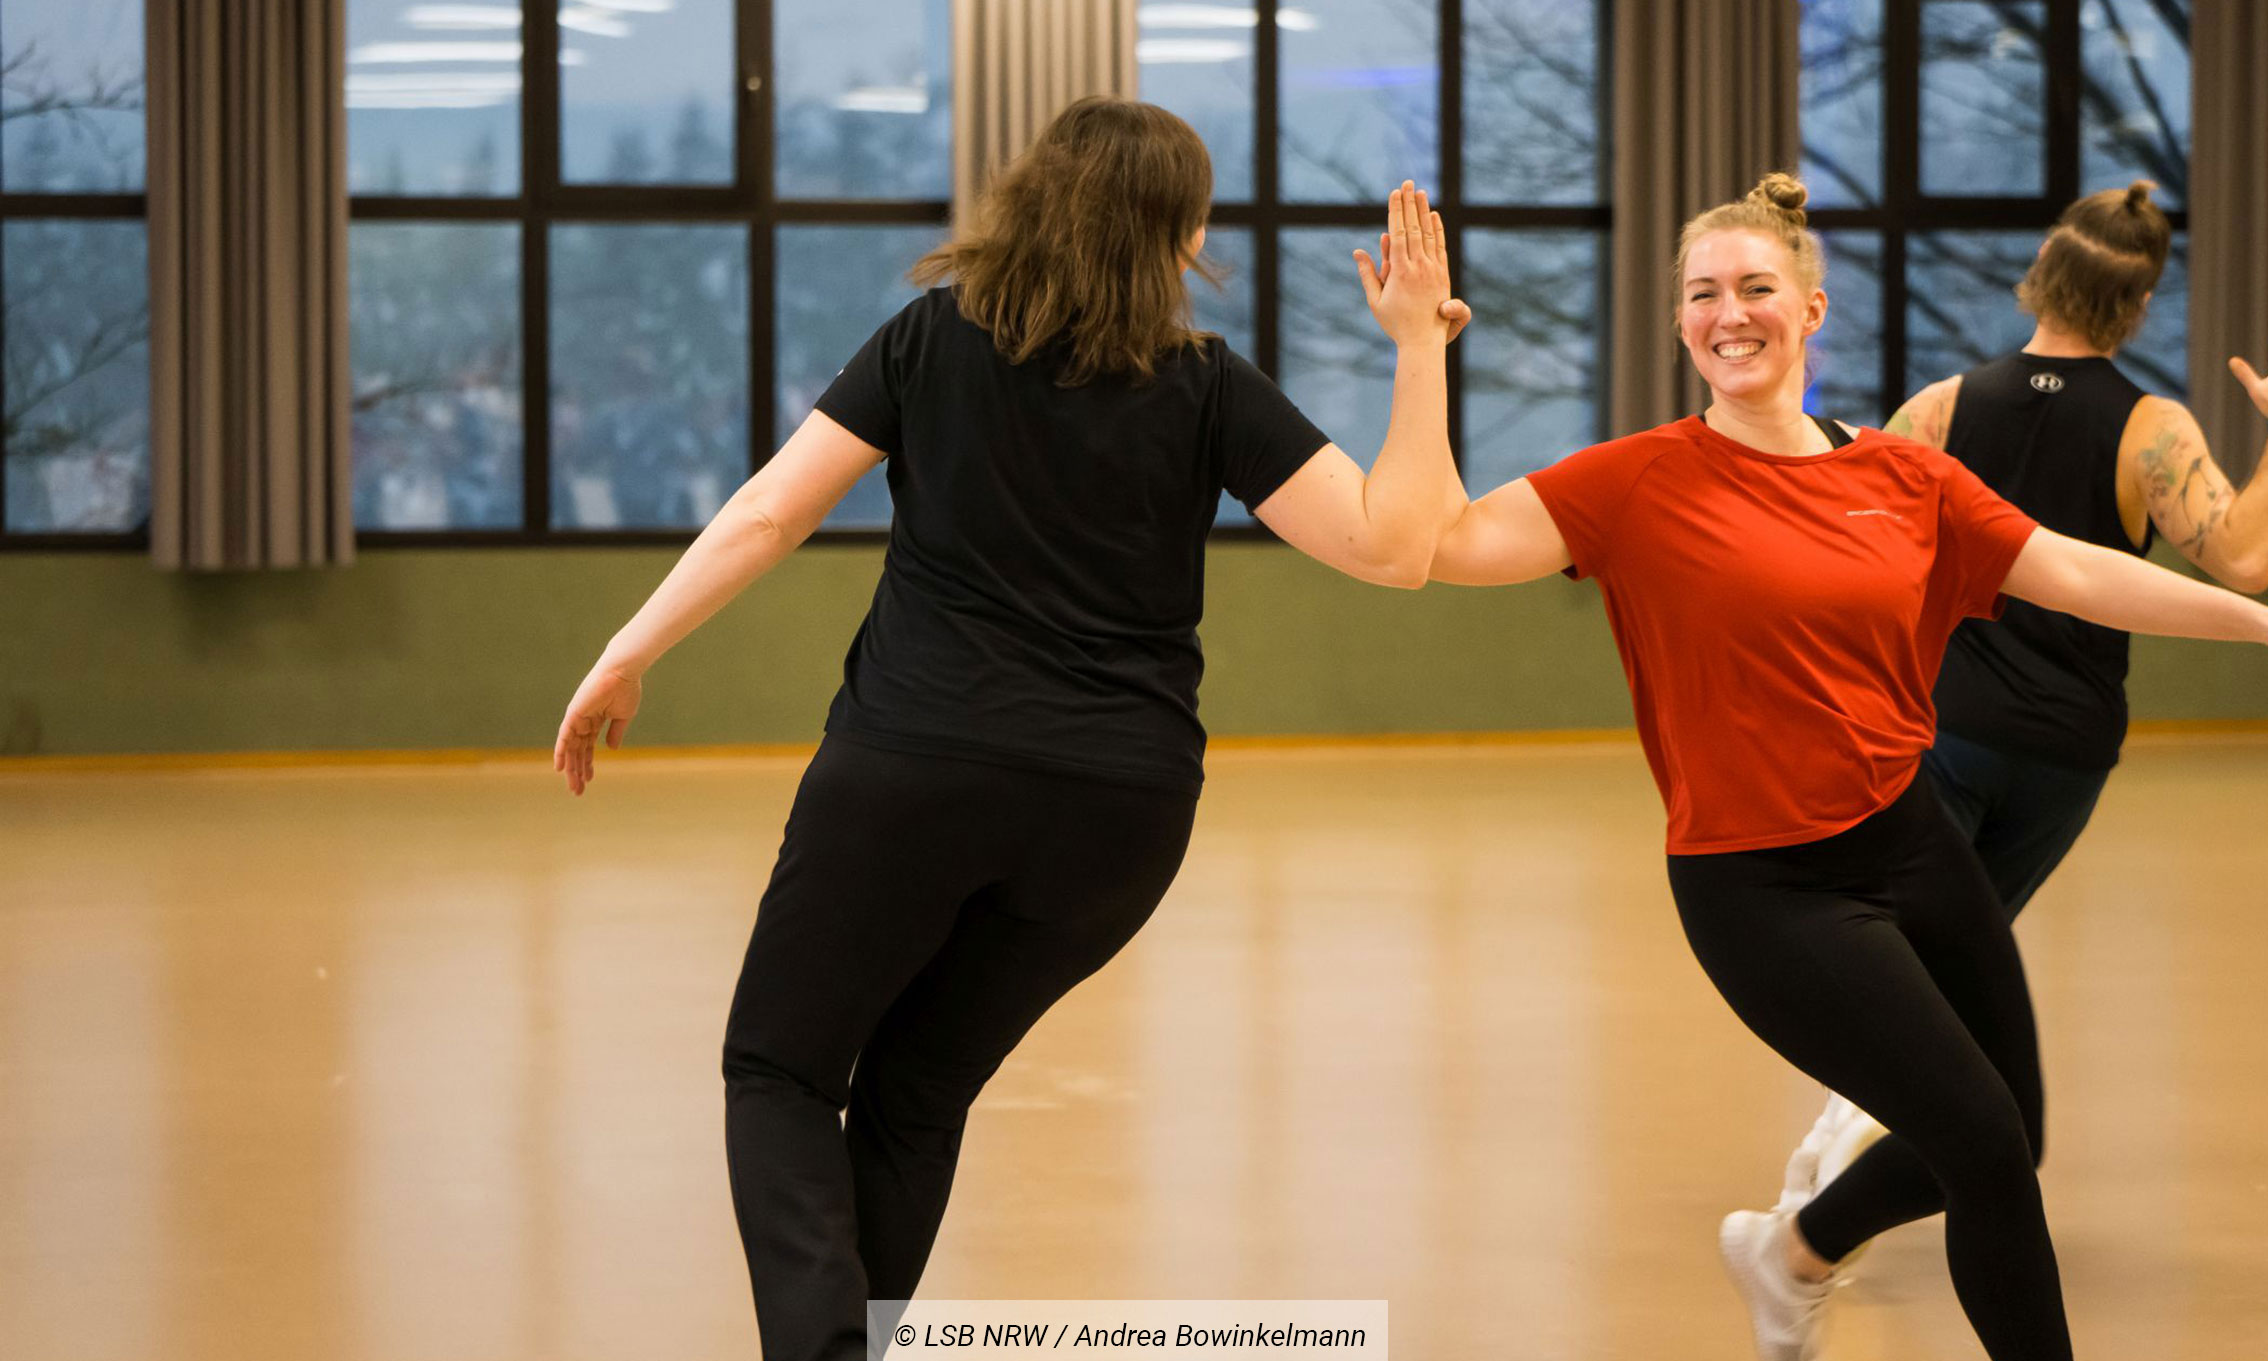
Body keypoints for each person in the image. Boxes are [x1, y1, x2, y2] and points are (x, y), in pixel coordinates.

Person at [552, 97, 1467, 1361]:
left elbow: (772, 511)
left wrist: (626, 648)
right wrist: (1419, 347)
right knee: (918, 1095)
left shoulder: (936, 337)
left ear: (1035, 197)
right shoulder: (1207, 386)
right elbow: (1398, 547)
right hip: (1121, 813)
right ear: (1180, 232)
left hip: (911, 770)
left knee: (780, 1068)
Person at [1425, 172, 2268, 1361]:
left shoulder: (1904, 474)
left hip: (1908, 838)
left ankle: (1794, 1249)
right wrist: (1421, 353)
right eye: (1704, 294)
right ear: (1680, 323)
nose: (1732, 314)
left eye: (1758, 288)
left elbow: (2079, 573)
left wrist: (2264, 625)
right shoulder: (1634, 481)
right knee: (1978, 1140)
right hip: (1762, 884)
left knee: (2008, 1133)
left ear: (1812, 310)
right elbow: (1440, 541)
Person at [1779, 180, 2268, 1226]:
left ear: (2039, 277)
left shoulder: (1944, 408)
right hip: (2064, 754)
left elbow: (1845, 521)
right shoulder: (2152, 428)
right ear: (2135, 308)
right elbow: (2246, 557)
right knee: (1951, 957)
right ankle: (1851, 1164)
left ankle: (1835, 1152)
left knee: (1895, 954)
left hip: (1939, 728)